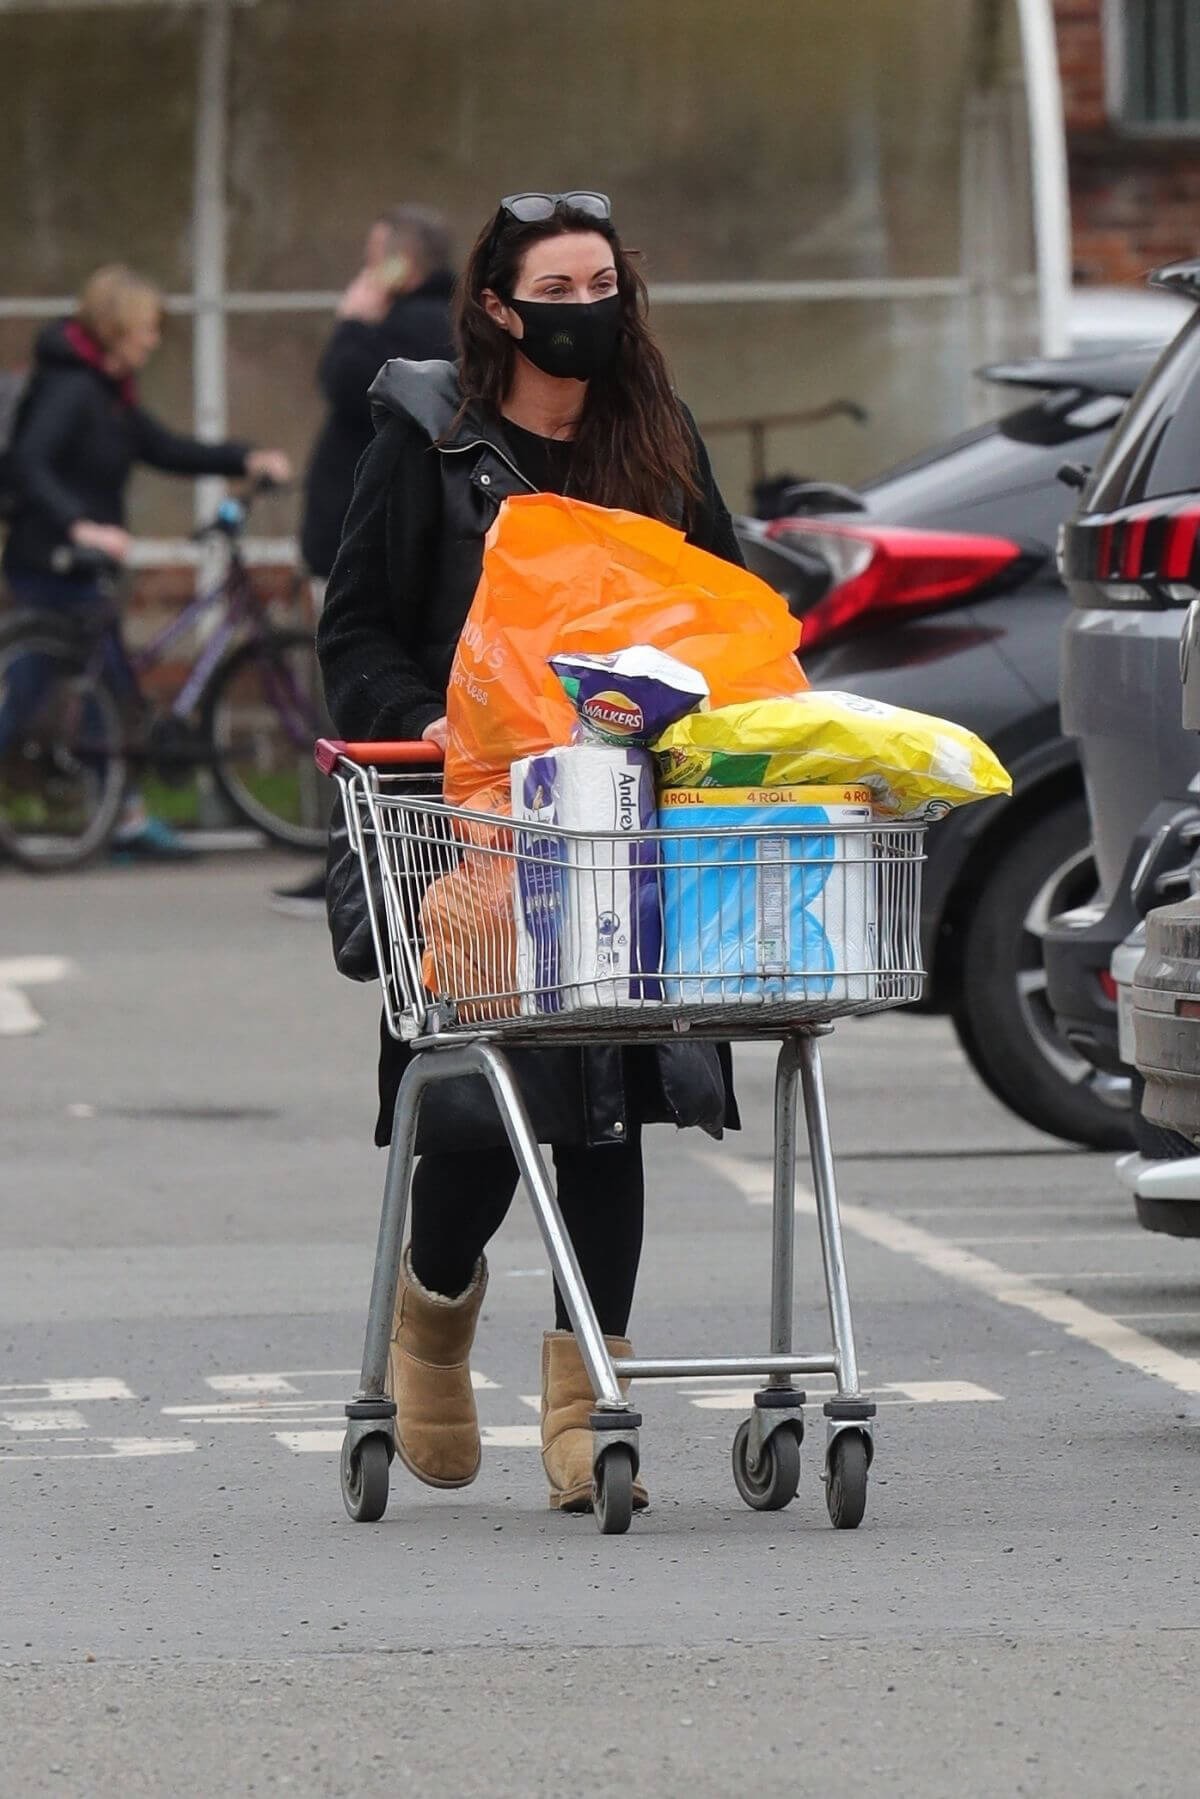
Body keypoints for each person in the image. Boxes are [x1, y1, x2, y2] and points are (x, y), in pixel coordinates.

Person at [317, 191, 749, 1515]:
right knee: (479, 1116)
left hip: (627, 832)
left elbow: (727, 611)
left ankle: (587, 1403)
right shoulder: (429, 450)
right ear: (501, 309)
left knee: (608, 1108)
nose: (588, 310)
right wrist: (430, 720)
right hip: (477, 836)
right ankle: (432, 1321)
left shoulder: (657, 451)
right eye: (558, 286)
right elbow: (356, 640)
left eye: (604, 282)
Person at [2, 264, 290, 853]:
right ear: (116, 328)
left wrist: (244, 458)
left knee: (108, 686)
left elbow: (164, 448)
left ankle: (123, 814)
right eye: (147, 329)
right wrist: (79, 523)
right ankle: (123, 814)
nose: (153, 340)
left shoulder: (110, 395)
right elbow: (28, 461)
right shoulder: (73, 390)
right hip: (53, 561)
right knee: (43, 690)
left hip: (82, 562)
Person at [273, 205, 456, 914]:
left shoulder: (411, 327)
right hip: (351, 544)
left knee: (355, 701)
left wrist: (354, 319)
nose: (361, 273)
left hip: (369, 553)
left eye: (373, 258)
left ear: (400, 265)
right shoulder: (414, 322)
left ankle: (353, 866)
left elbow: (346, 381)